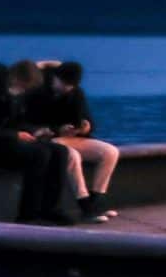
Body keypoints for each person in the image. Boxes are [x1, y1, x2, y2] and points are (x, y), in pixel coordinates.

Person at [0, 63, 78, 224]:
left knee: (59, 151)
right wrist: (15, 135)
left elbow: (15, 122)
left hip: (4, 142)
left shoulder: (12, 95)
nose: (23, 92)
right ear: (15, 79)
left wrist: (35, 131)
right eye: (24, 87)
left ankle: (51, 208)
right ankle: (28, 214)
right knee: (39, 154)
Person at [28, 61, 117, 220]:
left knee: (110, 152)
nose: (67, 88)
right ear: (55, 78)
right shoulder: (37, 93)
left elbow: (86, 119)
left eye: (71, 86)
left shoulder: (76, 93)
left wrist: (85, 127)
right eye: (64, 84)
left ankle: (96, 201)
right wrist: (56, 129)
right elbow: (29, 122)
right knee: (72, 155)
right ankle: (84, 203)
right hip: (48, 140)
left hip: (71, 137)